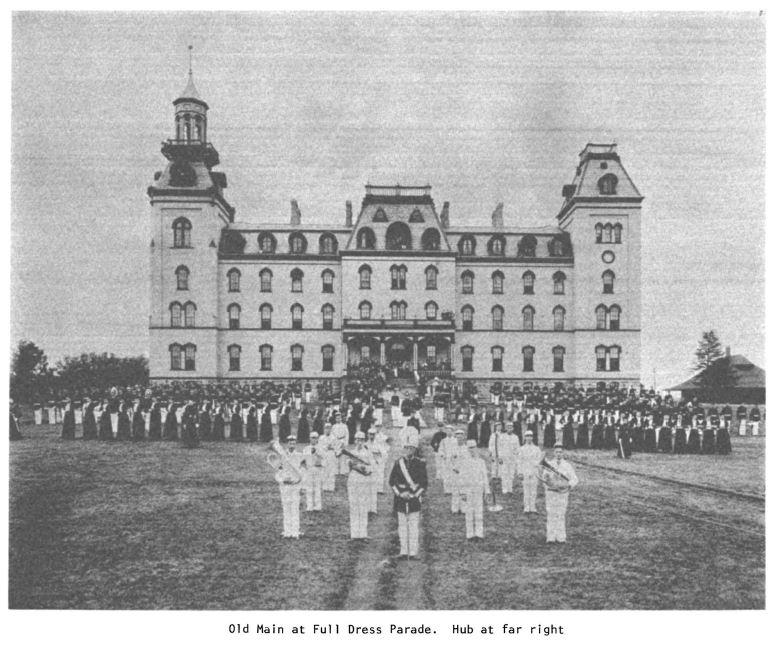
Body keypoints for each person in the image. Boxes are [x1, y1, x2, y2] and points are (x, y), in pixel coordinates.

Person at [388, 431, 428, 560]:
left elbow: (424, 484)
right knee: (402, 526)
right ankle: (404, 551)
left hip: (414, 498)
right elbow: (392, 482)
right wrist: (401, 494)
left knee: (413, 526)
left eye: (411, 448)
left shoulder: (420, 464)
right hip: (400, 498)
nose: (408, 450)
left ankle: (413, 552)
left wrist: (413, 495)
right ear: (403, 449)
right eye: (406, 448)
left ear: (415, 449)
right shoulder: (397, 463)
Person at [538, 442, 579, 543]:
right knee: (551, 514)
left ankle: (561, 537)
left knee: (561, 514)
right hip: (551, 493)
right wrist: (548, 481)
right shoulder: (549, 464)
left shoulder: (567, 465)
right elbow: (544, 479)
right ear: (554, 453)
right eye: (557, 452)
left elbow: (575, 479)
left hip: (563, 493)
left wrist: (568, 485)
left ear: (563, 453)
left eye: (560, 452)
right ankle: (550, 537)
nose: (559, 454)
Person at [458, 440, 490, 541]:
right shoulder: (463, 462)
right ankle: (470, 534)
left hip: (478, 489)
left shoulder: (481, 462)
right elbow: (461, 477)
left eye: (473, 447)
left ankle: (479, 533)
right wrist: (462, 492)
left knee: (478, 511)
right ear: (466, 449)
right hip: (467, 489)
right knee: (469, 512)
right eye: (469, 448)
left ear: (476, 448)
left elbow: (485, 476)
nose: (472, 450)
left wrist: (487, 491)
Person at [347, 431, 373, 539]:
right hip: (353, 479)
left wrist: (364, 468)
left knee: (363, 506)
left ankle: (363, 534)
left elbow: (372, 468)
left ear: (364, 441)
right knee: (354, 505)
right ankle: (354, 534)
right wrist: (352, 465)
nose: (359, 442)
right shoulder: (350, 453)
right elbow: (347, 467)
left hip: (363, 480)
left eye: (361, 440)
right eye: (357, 439)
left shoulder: (368, 453)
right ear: (355, 440)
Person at [276, 436, 304, 539]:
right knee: (286, 508)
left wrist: (302, 486)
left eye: (293, 443)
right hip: (285, 487)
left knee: (295, 508)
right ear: (287, 444)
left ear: (295, 444)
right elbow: (278, 473)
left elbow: (303, 472)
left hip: (295, 486)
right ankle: (287, 532)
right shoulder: (282, 457)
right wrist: (282, 480)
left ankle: (295, 532)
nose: (291, 445)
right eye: (290, 443)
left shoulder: (299, 456)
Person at [517, 431, 542, 513]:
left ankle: (533, 507)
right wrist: (520, 472)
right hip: (525, 471)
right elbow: (519, 461)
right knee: (526, 490)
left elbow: (539, 461)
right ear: (525, 437)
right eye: (527, 436)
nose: (529, 438)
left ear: (532, 437)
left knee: (533, 491)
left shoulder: (537, 449)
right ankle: (527, 507)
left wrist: (537, 467)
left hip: (534, 472)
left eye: (530, 436)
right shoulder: (521, 449)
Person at [303, 432, 325, 512]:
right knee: (309, 488)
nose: (314, 439)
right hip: (309, 469)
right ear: (309, 438)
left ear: (318, 439)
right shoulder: (306, 448)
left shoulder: (321, 448)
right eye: (312, 437)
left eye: (316, 438)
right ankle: (309, 506)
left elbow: (324, 458)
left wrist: (317, 454)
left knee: (317, 488)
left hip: (318, 469)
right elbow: (304, 459)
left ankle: (318, 506)